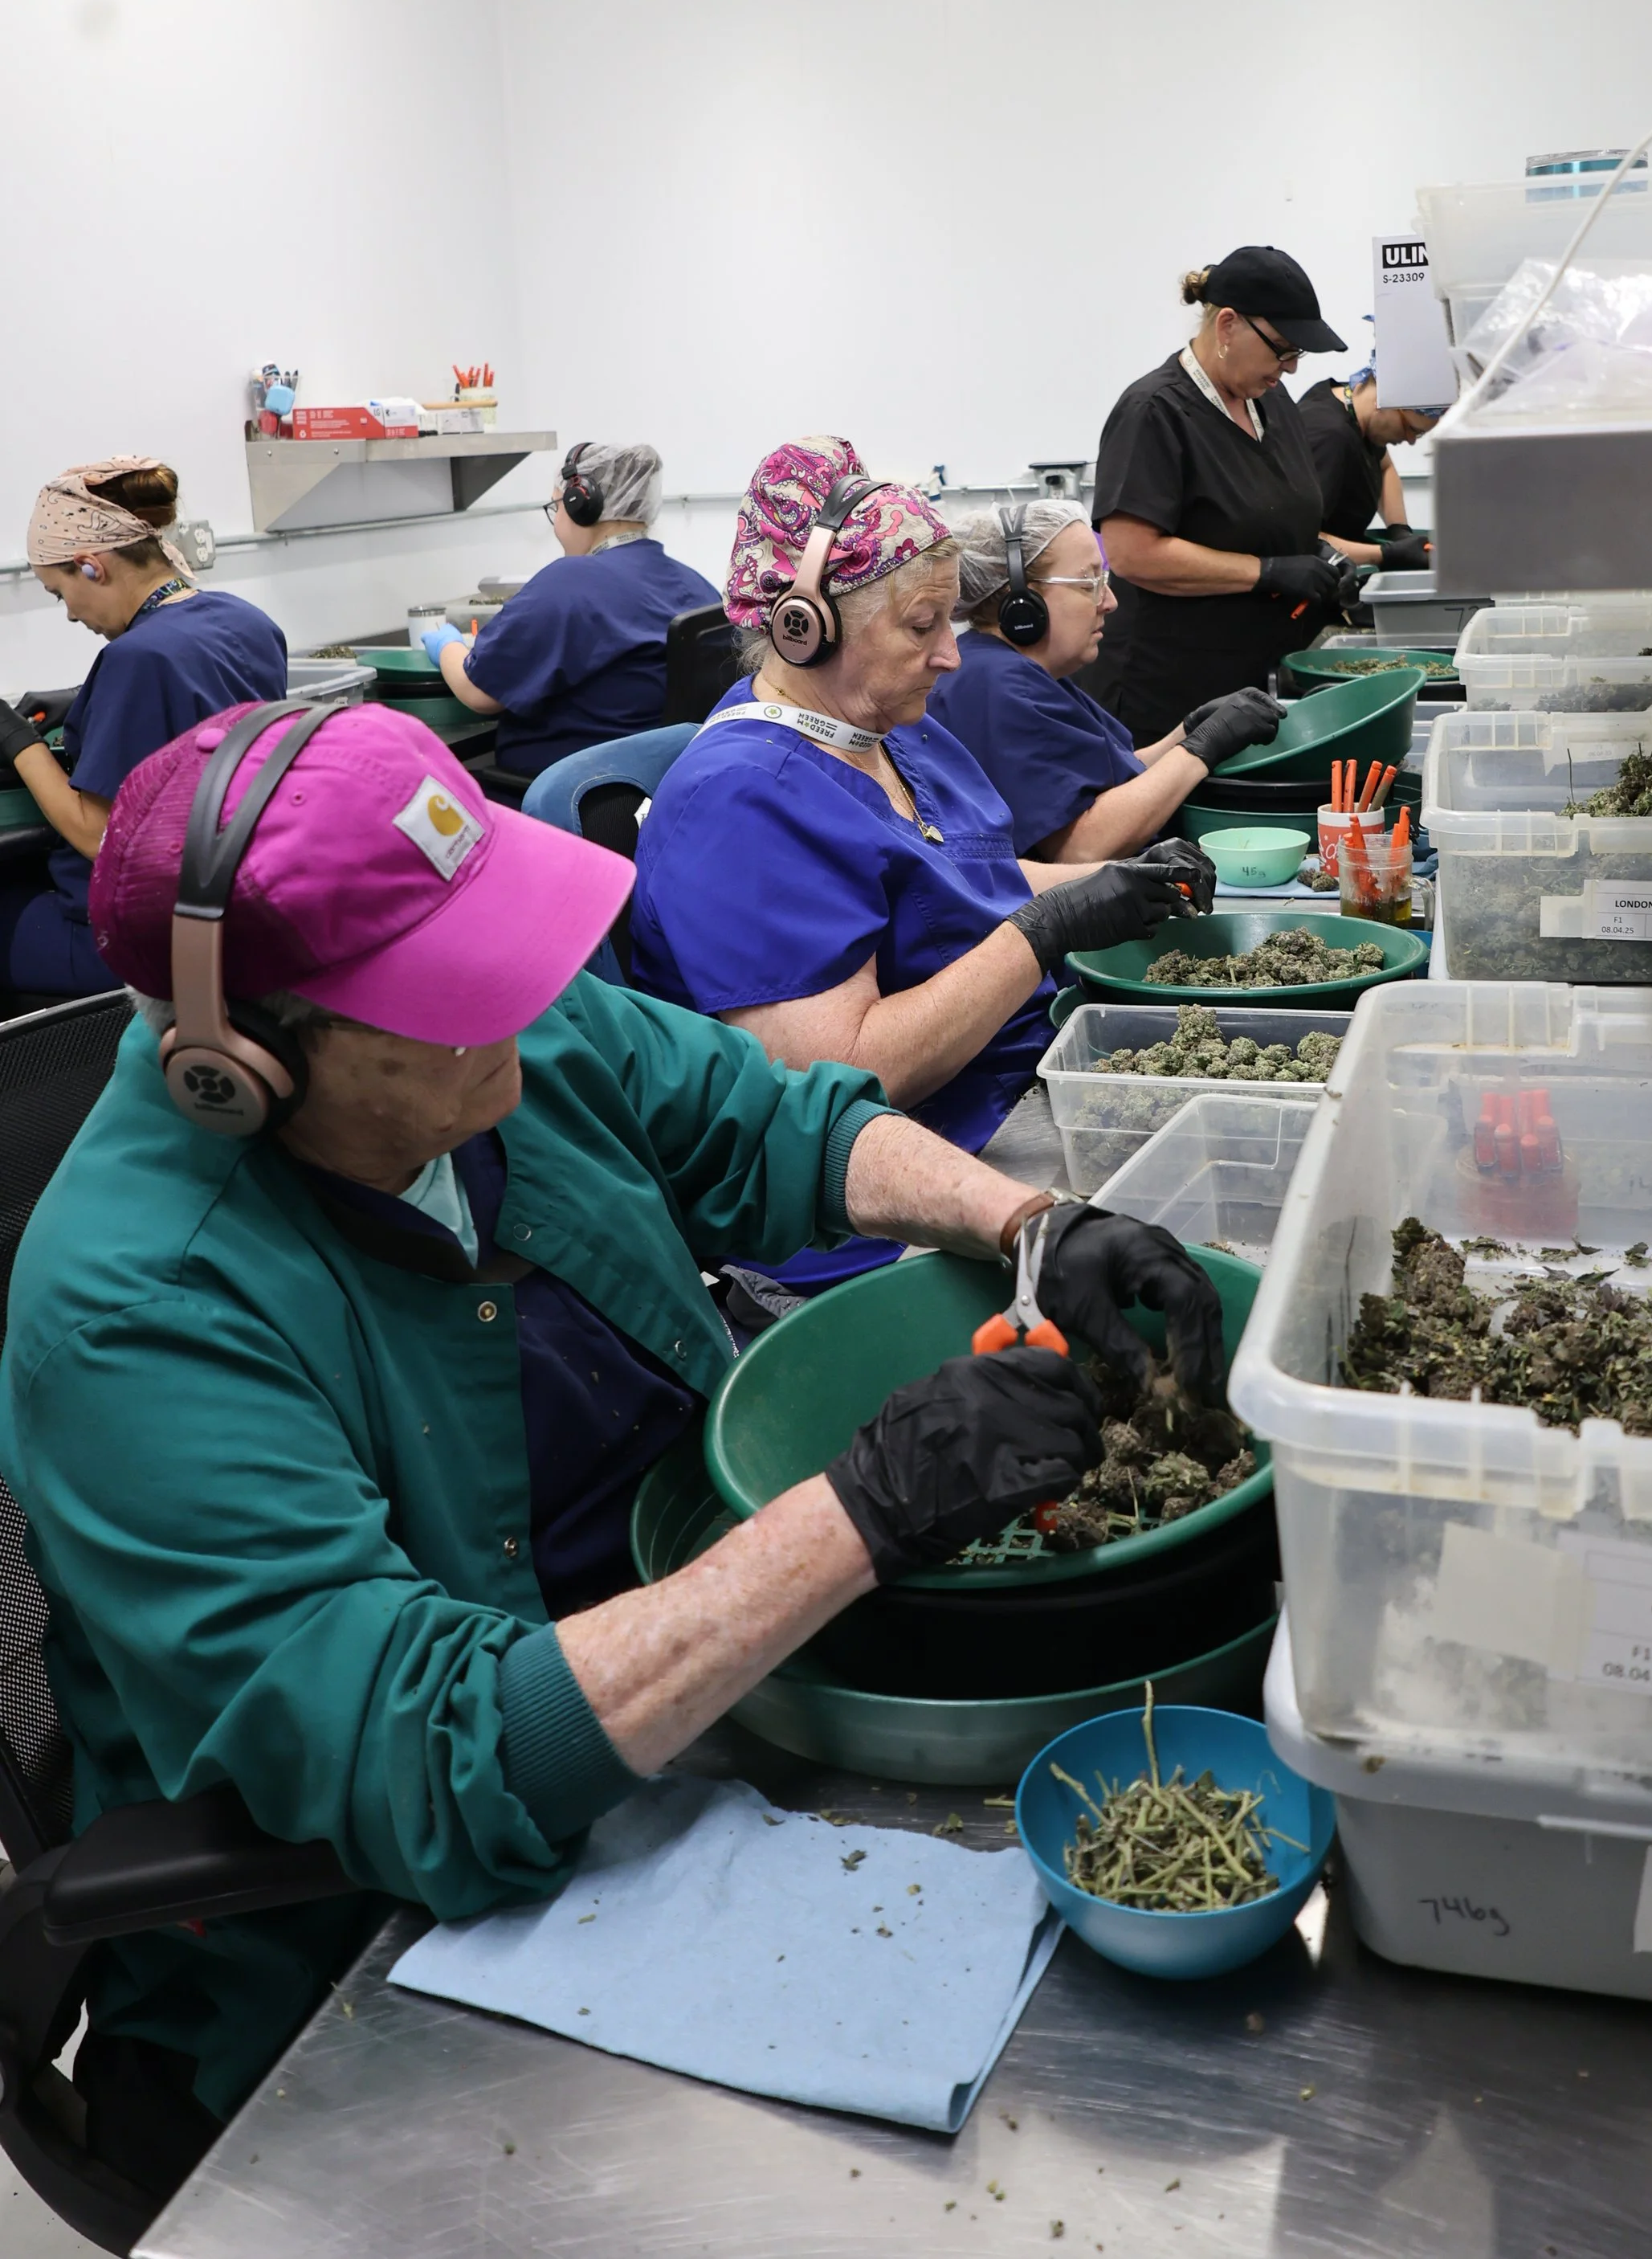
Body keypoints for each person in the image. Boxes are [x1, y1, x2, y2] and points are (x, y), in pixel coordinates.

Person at [1, 696, 1224, 2202]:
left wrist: (1034, 1224)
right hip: (385, 1935)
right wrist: (867, 1504)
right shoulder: (135, 1314)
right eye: (454, 994)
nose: (519, 1014)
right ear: (242, 1062)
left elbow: (762, 1118)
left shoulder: (489, 1035)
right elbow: (424, 1749)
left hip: (710, 1689)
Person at [627, 439, 1216, 1305]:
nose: (951, 654)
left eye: (949, 619)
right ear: (804, 624)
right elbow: (841, 1080)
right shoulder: (742, 803)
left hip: (1011, 1082)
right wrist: (1044, 931)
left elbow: (962, 877)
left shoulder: (890, 729)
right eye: (921, 626)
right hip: (898, 1198)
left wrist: (1118, 884)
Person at [0, 458, 285, 999]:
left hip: (129, 938)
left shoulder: (138, 659)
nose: (69, 614)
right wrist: (87, 704)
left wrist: (16, 739)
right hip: (226, 911)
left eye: (59, 593)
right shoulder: (246, 621)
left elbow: (97, 835)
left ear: (90, 566)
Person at [1087, 246, 1362, 746]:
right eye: (1281, 348)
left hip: (1245, 674)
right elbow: (1131, 553)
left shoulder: (1270, 402)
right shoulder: (1154, 412)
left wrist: (1320, 556)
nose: (1290, 367)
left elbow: (1267, 511)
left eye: (1296, 353)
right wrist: (1268, 572)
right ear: (1228, 325)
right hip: (1165, 689)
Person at [931, 500, 1283, 856]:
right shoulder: (1001, 686)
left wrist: (1187, 733)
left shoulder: (1015, 671)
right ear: (1022, 603)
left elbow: (1111, 782)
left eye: (1105, 581)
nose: (1110, 602)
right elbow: (1080, 847)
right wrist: (1200, 750)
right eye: (1089, 584)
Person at [420, 441, 716, 776]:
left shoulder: (572, 580)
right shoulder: (694, 583)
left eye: (556, 506)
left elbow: (479, 692)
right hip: (650, 789)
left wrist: (446, 645)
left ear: (580, 505)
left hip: (569, 793)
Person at [1295, 364, 1439, 570]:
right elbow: (1301, 539)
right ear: (1382, 402)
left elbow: (1385, 467)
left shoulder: (1352, 406)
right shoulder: (1328, 438)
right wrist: (1386, 555)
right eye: (1411, 429)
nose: (1411, 440)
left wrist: (1399, 532)